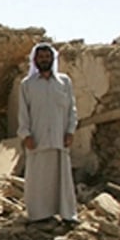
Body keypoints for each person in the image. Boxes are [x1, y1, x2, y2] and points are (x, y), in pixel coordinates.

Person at [18, 42, 77, 224]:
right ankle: (38, 215)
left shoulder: (64, 82)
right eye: (41, 57)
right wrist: (26, 134)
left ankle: (66, 214)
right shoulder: (27, 84)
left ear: (53, 59)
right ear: (35, 60)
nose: (45, 60)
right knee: (38, 178)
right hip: (37, 139)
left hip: (59, 138)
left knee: (61, 178)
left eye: (47, 57)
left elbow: (71, 109)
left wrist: (70, 131)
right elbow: (23, 112)